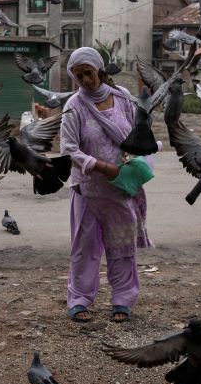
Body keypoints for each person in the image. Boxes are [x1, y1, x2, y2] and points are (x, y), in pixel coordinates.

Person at [59, 46, 153, 323]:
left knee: (122, 247)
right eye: (79, 77)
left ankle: (123, 300)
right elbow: (68, 149)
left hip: (121, 189)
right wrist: (101, 166)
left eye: (88, 73)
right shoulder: (73, 106)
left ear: (99, 69)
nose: (86, 81)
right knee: (84, 249)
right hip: (87, 190)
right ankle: (79, 300)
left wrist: (131, 158)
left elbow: (137, 133)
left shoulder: (122, 98)